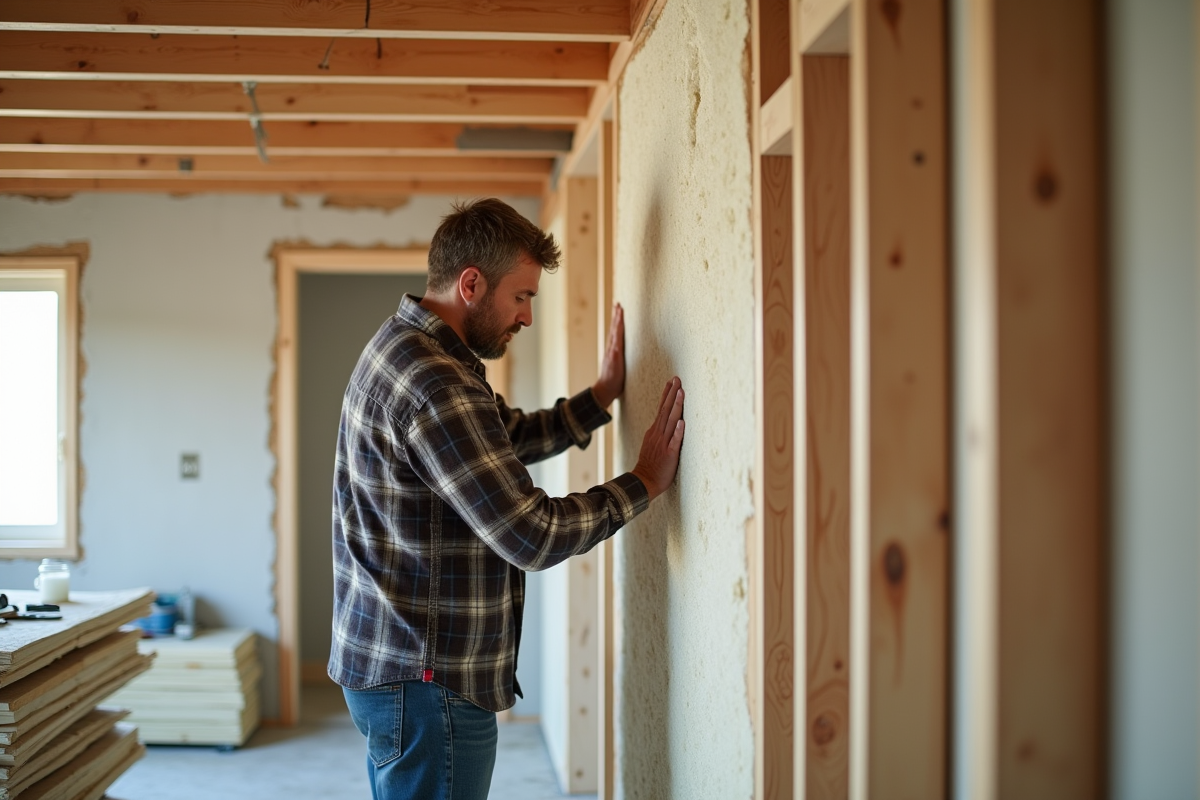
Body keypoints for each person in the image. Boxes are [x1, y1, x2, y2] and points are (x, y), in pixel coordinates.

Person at [329, 198, 686, 800]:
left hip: (397, 664)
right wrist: (644, 482)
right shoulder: (437, 381)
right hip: (428, 682)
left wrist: (599, 398)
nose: (526, 317)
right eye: (521, 296)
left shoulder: (407, 347)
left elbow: (497, 438)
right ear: (471, 284)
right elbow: (530, 534)